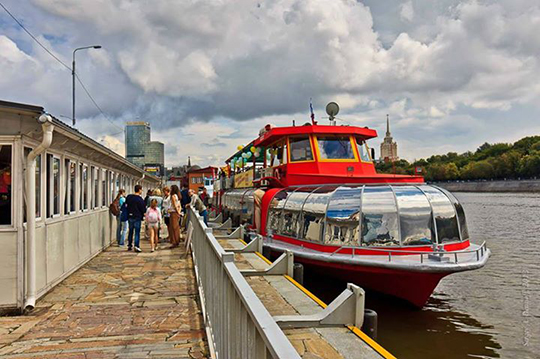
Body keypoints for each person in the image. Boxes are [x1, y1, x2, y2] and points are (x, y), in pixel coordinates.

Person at [126, 184, 146, 252]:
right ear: (139, 190)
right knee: (137, 232)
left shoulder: (129, 197)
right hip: (137, 217)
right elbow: (143, 209)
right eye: (141, 190)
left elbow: (126, 205)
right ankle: (136, 246)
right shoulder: (140, 199)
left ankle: (129, 245)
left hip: (130, 216)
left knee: (130, 231)